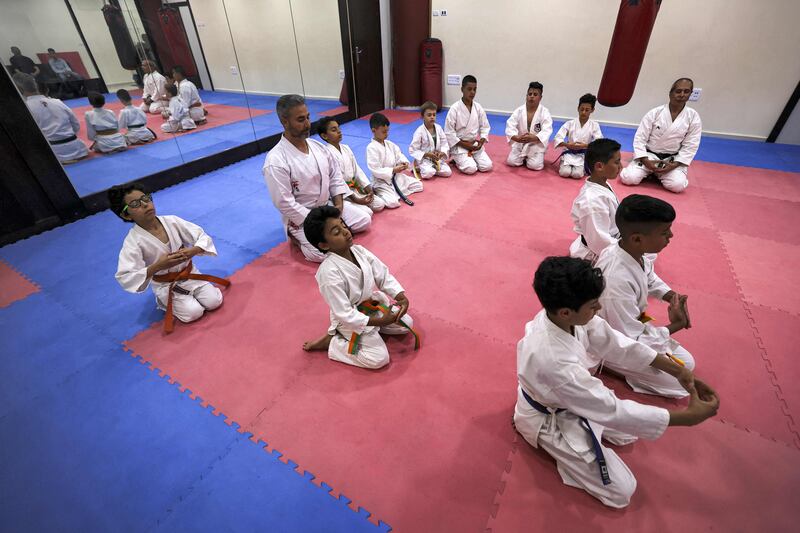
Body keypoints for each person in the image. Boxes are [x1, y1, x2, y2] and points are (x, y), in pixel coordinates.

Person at [514, 256, 719, 508]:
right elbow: (611, 408)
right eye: (593, 305)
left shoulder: (565, 317)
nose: (599, 308)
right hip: (549, 414)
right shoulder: (555, 360)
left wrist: (676, 370)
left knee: (627, 435)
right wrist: (686, 418)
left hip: (569, 392)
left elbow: (617, 343)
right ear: (566, 312)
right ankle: (539, 434)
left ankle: (585, 428)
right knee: (622, 491)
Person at [595, 195, 694, 398]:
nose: (671, 236)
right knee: (678, 385)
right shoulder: (616, 281)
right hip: (615, 341)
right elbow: (629, 339)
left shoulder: (628, 249)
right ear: (638, 238)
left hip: (632, 323)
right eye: (665, 232)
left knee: (688, 362)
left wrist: (672, 297)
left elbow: (649, 277)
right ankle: (607, 364)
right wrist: (675, 325)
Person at [302, 206, 417, 369]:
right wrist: (378, 320)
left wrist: (400, 297)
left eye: (342, 225)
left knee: (406, 323)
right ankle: (334, 342)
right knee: (379, 359)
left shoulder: (359, 251)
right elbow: (344, 313)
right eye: (336, 232)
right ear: (324, 245)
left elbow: (382, 275)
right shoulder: (328, 273)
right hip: (350, 321)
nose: (345, 231)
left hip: (370, 307)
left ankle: (374, 330)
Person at [263, 94, 371, 263]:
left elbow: (335, 176)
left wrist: (339, 205)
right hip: (303, 218)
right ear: (285, 121)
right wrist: (318, 222)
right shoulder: (276, 161)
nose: (307, 124)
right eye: (300, 120)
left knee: (365, 220)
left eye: (308, 117)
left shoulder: (318, 147)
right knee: (324, 253)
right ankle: (297, 238)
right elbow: (284, 202)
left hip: (326, 207)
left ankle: (332, 232)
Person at [110, 183, 229, 333]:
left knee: (214, 301)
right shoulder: (133, 242)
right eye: (135, 204)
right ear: (126, 215)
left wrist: (194, 250)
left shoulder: (172, 221)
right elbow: (125, 276)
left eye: (146, 198)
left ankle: (192, 294)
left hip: (190, 274)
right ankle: (162, 301)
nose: (145, 205)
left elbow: (201, 235)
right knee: (193, 313)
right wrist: (157, 266)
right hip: (165, 285)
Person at [620, 78, 702, 193]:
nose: (682, 95)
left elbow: (691, 145)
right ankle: (651, 172)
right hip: (649, 156)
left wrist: (674, 165)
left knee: (677, 186)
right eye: (678, 91)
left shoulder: (693, 117)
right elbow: (640, 139)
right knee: (628, 178)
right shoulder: (655, 113)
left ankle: (655, 174)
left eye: (686, 91)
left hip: (672, 159)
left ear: (690, 94)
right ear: (671, 93)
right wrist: (645, 160)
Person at [568, 138, 622, 263]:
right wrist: (627, 249)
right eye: (617, 162)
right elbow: (599, 242)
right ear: (599, 166)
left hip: (610, 235)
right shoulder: (592, 201)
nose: (621, 166)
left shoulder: (602, 183)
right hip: (596, 252)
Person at [317, 117, 384, 215]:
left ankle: (357, 205)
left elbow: (357, 171)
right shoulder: (326, 155)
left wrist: (368, 189)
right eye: (334, 130)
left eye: (339, 128)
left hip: (355, 188)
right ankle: (350, 205)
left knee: (380, 204)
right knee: (368, 212)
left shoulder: (346, 148)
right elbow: (336, 181)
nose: (339, 132)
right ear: (324, 136)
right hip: (341, 194)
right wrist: (356, 199)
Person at [20, 75, 88, 163]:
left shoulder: (26, 107)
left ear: (21, 90)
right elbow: (75, 125)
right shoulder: (57, 102)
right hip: (77, 148)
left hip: (55, 151)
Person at [366, 112, 423, 208]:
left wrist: (403, 163)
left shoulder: (389, 144)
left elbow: (399, 155)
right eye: (384, 132)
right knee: (393, 203)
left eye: (387, 131)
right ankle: (379, 192)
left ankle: (395, 192)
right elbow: (375, 169)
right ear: (374, 130)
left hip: (396, 178)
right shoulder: (371, 148)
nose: (387, 134)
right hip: (382, 181)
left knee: (419, 185)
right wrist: (393, 170)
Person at [444, 75, 492, 175]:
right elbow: (449, 133)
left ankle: (469, 158)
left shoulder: (478, 107)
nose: (472, 92)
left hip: (474, 145)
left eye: (475, 89)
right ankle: (457, 160)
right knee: (471, 169)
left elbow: (485, 127)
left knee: (487, 166)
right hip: (460, 145)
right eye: (469, 89)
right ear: (462, 89)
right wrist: (466, 145)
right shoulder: (454, 109)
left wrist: (481, 142)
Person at [505, 81, 552, 171]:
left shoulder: (544, 112)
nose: (532, 96)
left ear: (540, 97)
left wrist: (535, 137)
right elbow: (510, 125)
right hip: (521, 142)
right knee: (511, 162)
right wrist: (516, 138)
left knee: (535, 166)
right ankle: (524, 156)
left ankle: (532, 157)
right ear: (526, 95)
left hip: (535, 143)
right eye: (529, 94)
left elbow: (547, 130)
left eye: (535, 94)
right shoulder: (519, 111)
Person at [554, 93, 603, 179]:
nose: (583, 112)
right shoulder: (570, 123)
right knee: (564, 173)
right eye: (582, 109)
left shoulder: (594, 125)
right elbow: (558, 137)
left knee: (577, 175)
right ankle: (564, 162)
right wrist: (568, 145)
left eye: (587, 110)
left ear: (592, 110)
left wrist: (585, 145)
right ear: (578, 108)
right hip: (569, 152)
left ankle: (581, 167)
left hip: (582, 154)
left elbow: (599, 142)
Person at [409, 101, 452, 179]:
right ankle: (420, 167)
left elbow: (444, 143)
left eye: (434, 115)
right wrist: (427, 154)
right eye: (429, 115)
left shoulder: (438, 128)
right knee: (428, 174)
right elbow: (413, 150)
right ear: (422, 117)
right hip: (425, 158)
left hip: (436, 158)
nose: (432, 117)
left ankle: (429, 169)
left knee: (448, 172)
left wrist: (442, 152)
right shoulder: (419, 131)